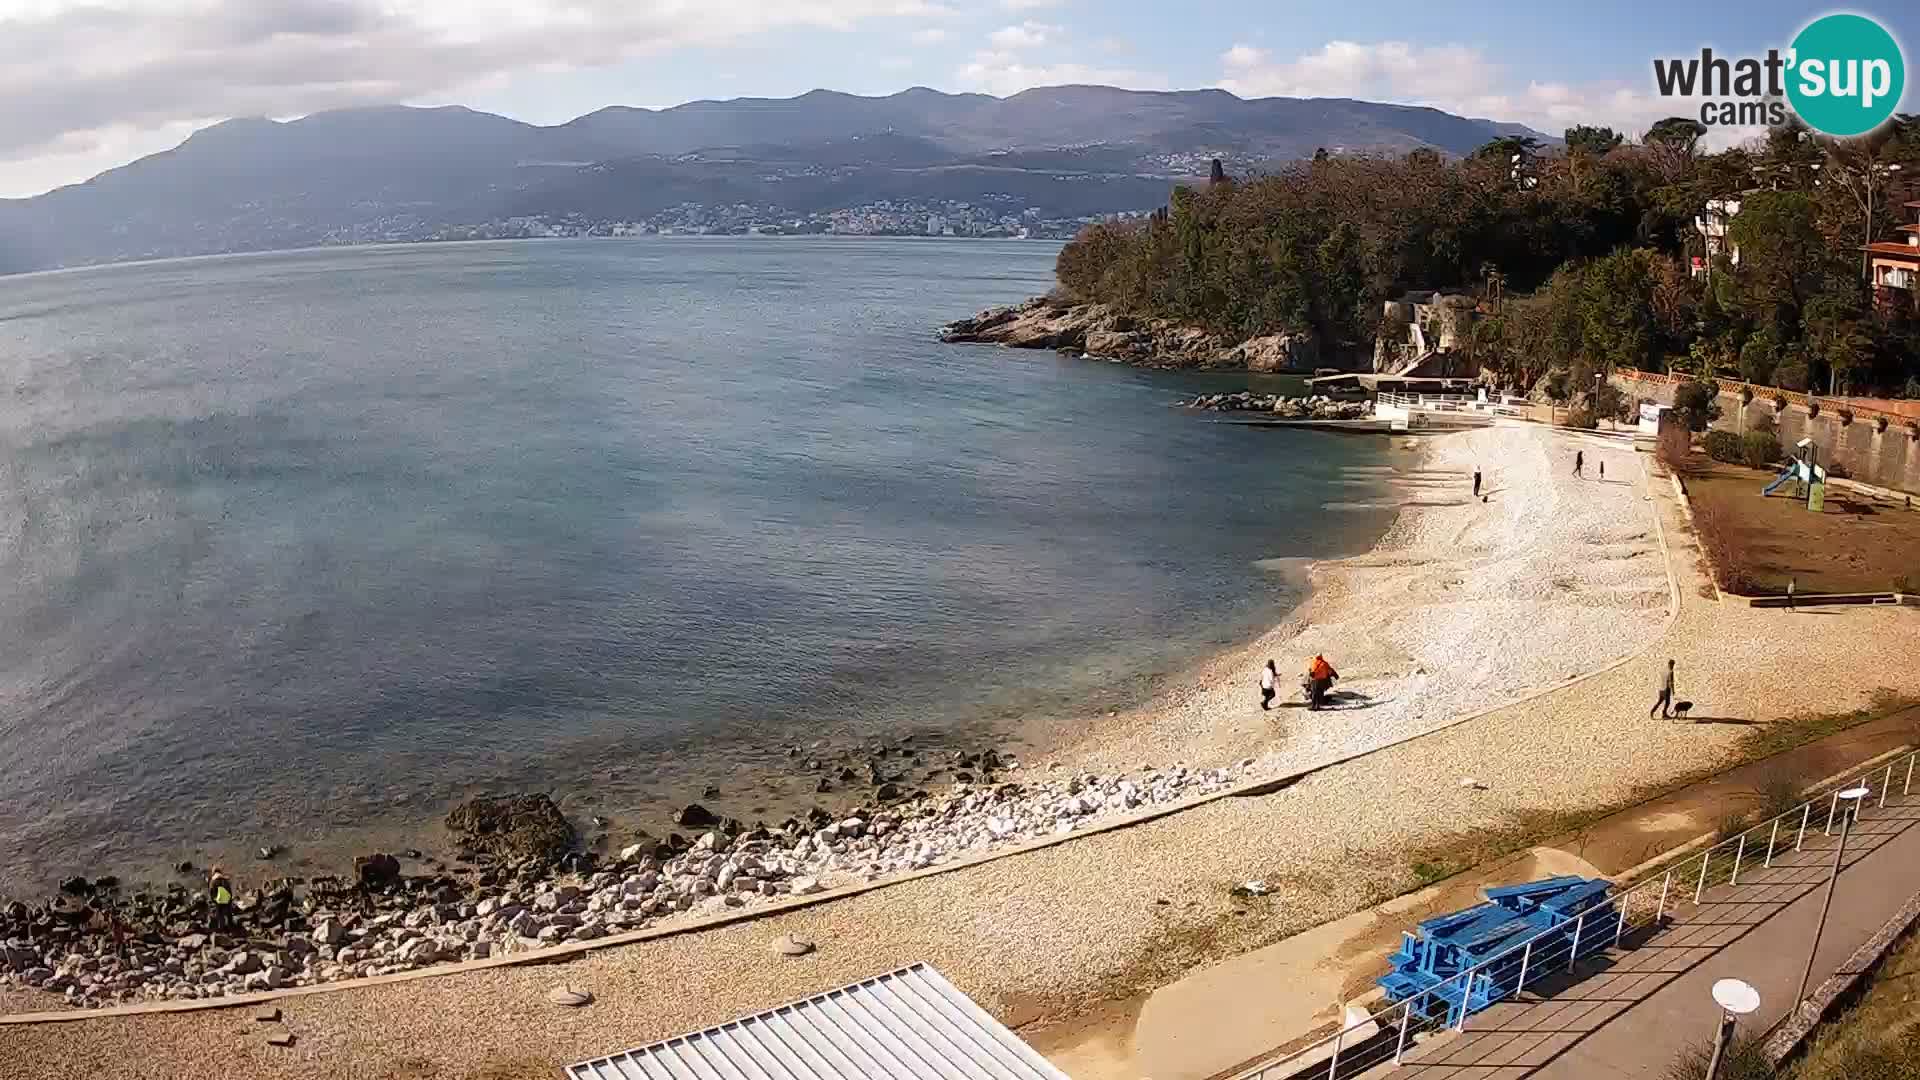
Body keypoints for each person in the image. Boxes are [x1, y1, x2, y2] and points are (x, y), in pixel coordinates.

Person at [207, 866, 234, 932]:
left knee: (220, 914)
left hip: (218, 900)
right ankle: (231, 926)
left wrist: (213, 900)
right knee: (229, 913)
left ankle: (222, 928)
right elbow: (229, 891)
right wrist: (230, 899)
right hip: (227, 900)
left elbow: (211, 891)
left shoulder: (213, 881)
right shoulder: (225, 880)